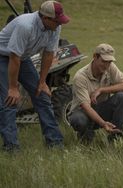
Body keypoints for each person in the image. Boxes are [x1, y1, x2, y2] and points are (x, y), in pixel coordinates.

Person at [0, 1, 70, 151]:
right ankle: (11, 147)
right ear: (45, 18)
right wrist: (13, 87)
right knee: (9, 100)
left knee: (42, 95)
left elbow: (49, 53)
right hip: (4, 56)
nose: (59, 24)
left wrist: (42, 82)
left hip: (22, 58)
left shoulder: (54, 27)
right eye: (57, 21)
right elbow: (13, 57)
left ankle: (55, 143)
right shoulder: (25, 26)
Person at [69, 43, 123, 144]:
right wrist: (103, 123)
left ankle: (116, 139)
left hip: (101, 108)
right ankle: (85, 138)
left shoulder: (110, 67)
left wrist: (102, 90)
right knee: (78, 120)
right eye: (104, 61)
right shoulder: (80, 77)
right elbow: (86, 107)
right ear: (95, 57)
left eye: (109, 62)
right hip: (83, 112)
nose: (106, 65)